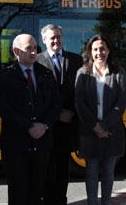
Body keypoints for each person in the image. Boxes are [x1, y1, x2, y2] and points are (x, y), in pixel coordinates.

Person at [0, 34, 61, 205]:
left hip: (42, 144)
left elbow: (56, 105)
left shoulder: (46, 74)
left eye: (35, 48)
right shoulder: (5, 76)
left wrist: (44, 125)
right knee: (18, 193)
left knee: (37, 192)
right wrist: (28, 127)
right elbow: (4, 109)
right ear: (16, 51)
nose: (33, 52)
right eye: (28, 48)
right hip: (16, 145)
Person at [75, 34, 126, 205]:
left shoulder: (119, 73)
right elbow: (79, 103)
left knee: (108, 172)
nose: (99, 52)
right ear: (90, 52)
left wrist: (103, 126)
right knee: (91, 171)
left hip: (112, 131)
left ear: (108, 50)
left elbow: (121, 103)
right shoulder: (82, 73)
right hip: (90, 132)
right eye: (95, 49)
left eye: (103, 48)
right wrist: (95, 127)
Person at [37, 24, 83, 205]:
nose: (56, 41)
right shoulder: (38, 61)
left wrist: (72, 113)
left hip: (67, 126)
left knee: (63, 171)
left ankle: (61, 201)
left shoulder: (75, 60)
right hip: (47, 127)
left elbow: (80, 92)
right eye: (52, 38)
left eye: (58, 37)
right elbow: (36, 95)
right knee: (47, 170)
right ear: (44, 40)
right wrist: (55, 114)